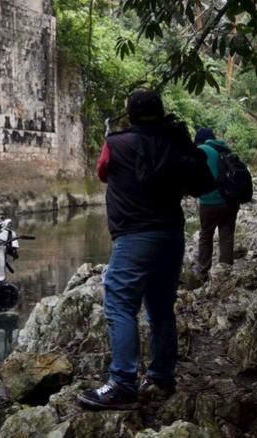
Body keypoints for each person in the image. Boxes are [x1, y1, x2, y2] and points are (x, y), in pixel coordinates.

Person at [80, 90, 215, 410]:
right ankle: (161, 377)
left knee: (119, 302)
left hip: (135, 235)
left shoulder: (117, 143)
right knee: (161, 307)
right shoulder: (175, 142)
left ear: (131, 114)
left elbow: (102, 172)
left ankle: (123, 383)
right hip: (172, 234)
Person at [192, 127, 240, 279]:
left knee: (206, 234)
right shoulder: (224, 149)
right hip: (231, 200)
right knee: (226, 234)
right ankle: (225, 273)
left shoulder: (202, 150)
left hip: (210, 201)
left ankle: (203, 272)